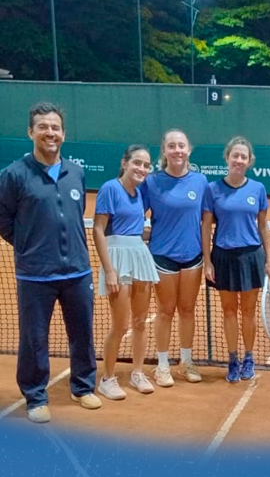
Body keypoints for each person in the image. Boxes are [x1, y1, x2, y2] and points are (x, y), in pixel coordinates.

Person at [0, 102, 101, 423]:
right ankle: (35, 397)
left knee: (83, 334)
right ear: (31, 132)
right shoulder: (14, 175)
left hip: (78, 271)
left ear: (63, 134)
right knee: (34, 339)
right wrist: (29, 245)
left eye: (55, 127)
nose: (50, 133)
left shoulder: (76, 172)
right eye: (43, 127)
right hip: (35, 275)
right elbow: (3, 219)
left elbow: (75, 214)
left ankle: (82, 388)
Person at [202, 136, 270, 383]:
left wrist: (269, 259)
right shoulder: (212, 189)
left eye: (244, 156)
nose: (239, 160)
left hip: (251, 256)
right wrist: (208, 261)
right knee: (229, 310)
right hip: (223, 256)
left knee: (248, 311)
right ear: (227, 158)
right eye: (235, 156)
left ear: (249, 161)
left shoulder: (258, 188)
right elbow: (206, 226)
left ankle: (249, 357)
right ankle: (232, 359)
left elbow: (263, 226)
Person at [141, 129, 210, 387]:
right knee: (165, 311)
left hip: (192, 256)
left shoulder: (200, 182)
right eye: (171, 146)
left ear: (189, 150)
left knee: (187, 310)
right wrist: (142, 234)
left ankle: (186, 362)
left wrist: (207, 256)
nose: (177, 150)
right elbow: (136, 214)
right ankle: (162, 365)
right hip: (162, 257)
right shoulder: (151, 182)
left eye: (181, 145)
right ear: (164, 151)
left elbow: (206, 219)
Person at [93, 145, 160, 400]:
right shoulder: (110, 188)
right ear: (125, 163)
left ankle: (138, 373)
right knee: (120, 325)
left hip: (139, 255)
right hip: (117, 258)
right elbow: (98, 230)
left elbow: (135, 228)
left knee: (140, 321)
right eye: (137, 163)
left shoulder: (141, 192)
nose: (142, 168)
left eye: (146, 165)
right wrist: (109, 270)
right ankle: (107, 379)